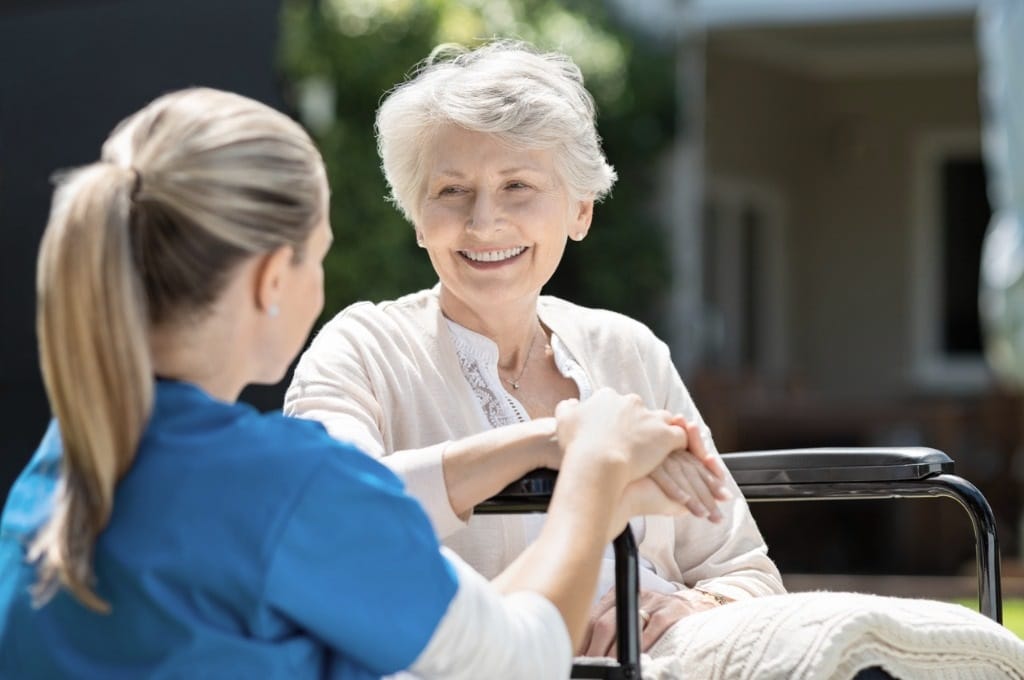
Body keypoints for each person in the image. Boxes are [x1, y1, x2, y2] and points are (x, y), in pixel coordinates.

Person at [0, 87, 707, 679]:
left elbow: (356, 525)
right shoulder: (287, 487)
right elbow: (516, 658)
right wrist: (595, 471)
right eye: (320, 258)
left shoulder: (65, 463)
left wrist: (543, 442)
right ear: (273, 279)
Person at [284, 40, 785, 659]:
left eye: (517, 186)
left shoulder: (628, 351)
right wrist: (555, 442)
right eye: (450, 191)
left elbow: (746, 572)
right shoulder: (361, 348)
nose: (484, 222)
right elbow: (333, 516)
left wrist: (688, 607)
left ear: (580, 210)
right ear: (418, 218)